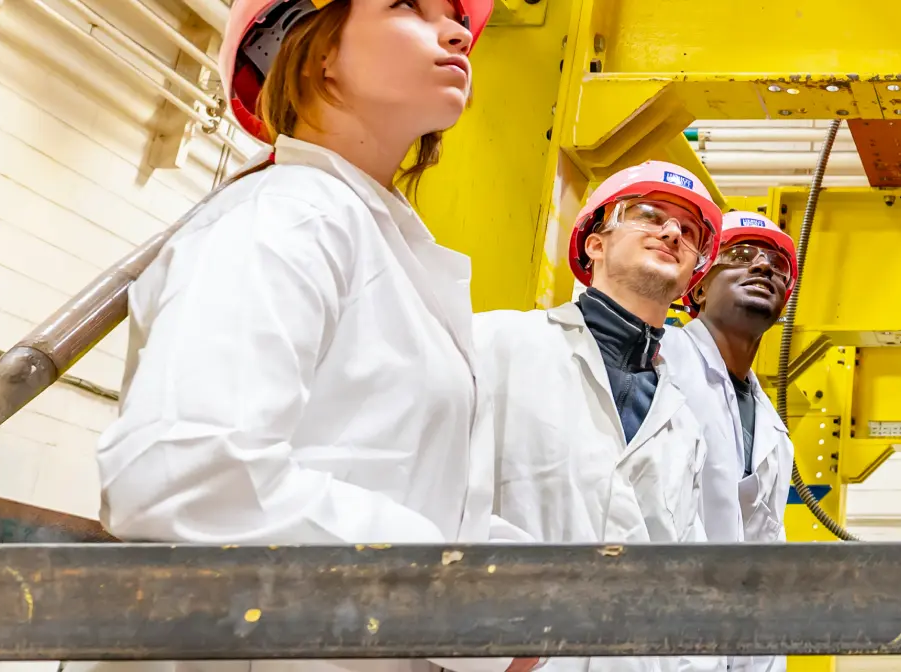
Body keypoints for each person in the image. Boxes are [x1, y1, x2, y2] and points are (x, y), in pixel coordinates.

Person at [85, 1, 536, 672]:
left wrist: (528, 585)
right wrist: (458, 591)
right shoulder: (287, 217)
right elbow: (186, 471)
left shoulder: (381, 244)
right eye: (410, 6)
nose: (456, 33)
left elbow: (395, 483)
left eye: (454, 16)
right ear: (315, 49)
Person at [475, 160, 718, 671]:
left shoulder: (684, 424)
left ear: (693, 272)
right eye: (649, 215)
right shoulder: (495, 344)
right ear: (595, 243)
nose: (672, 231)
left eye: (689, 231)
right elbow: (438, 499)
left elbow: (686, 575)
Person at [661, 211, 798, 672]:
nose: (763, 267)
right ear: (697, 287)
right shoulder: (656, 364)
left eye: (777, 265)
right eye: (739, 256)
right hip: (649, 641)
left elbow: (764, 562)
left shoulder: (775, 432)